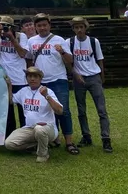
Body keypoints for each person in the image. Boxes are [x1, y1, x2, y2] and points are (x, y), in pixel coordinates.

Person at [26, 13, 78, 155]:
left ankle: (69, 141)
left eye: (44, 25)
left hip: (58, 80)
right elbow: (29, 61)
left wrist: (61, 52)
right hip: (41, 82)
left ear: (49, 25)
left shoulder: (59, 40)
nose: (42, 28)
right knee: (46, 112)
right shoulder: (31, 41)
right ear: (35, 27)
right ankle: (55, 138)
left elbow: (70, 60)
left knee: (63, 110)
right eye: (39, 25)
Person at [67, 17, 112, 153]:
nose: (79, 30)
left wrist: (101, 78)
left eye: (81, 27)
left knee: (101, 109)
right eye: (76, 27)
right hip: (78, 78)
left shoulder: (93, 41)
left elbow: (100, 60)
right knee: (81, 110)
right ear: (73, 29)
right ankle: (86, 136)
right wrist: (75, 74)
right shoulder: (69, 42)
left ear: (85, 27)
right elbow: (68, 61)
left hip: (93, 76)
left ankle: (106, 138)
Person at [4, 67, 63, 163]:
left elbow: (60, 111)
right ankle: (37, 145)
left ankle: (43, 154)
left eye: (35, 76)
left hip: (47, 127)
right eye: (29, 76)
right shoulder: (23, 91)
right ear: (26, 78)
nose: (32, 79)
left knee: (39, 129)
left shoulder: (47, 91)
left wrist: (46, 96)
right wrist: (9, 86)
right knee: (9, 143)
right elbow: (11, 101)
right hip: (29, 128)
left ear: (40, 79)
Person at [0, 16, 28, 137]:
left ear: (12, 27)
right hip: (4, 78)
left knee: (23, 110)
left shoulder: (21, 36)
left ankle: (25, 135)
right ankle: (9, 136)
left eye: (7, 26)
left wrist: (12, 38)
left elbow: (22, 53)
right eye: (2, 26)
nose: (4, 29)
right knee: (7, 110)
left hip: (19, 77)